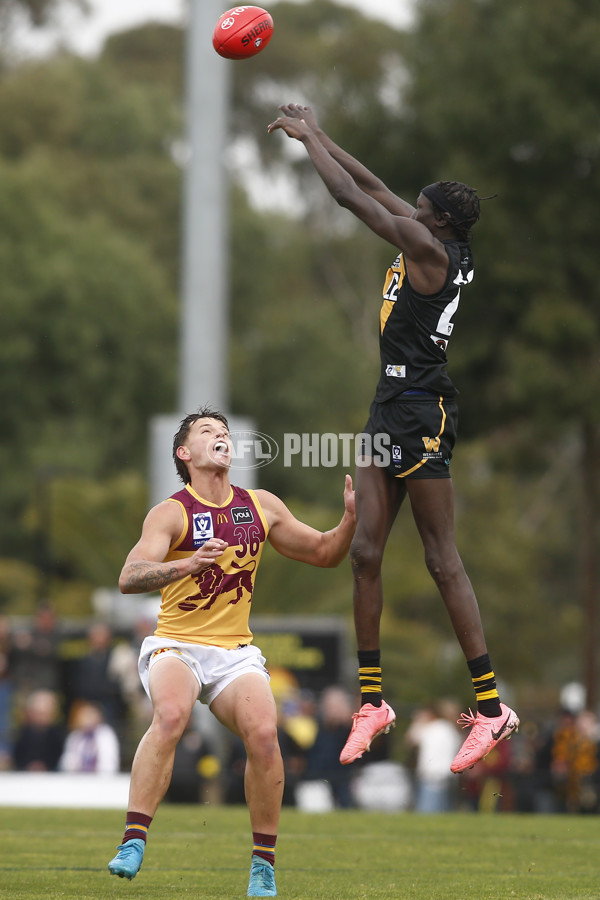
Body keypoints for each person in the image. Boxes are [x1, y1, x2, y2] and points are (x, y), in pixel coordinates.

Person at [268, 103, 519, 775]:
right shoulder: (428, 235)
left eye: (417, 207)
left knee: (441, 559)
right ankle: (373, 702)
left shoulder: (431, 253)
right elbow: (373, 186)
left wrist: (303, 144)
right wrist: (318, 130)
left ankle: (492, 708)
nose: (405, 209)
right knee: (366, 552)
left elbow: (352, 196)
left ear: (436, 222)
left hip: (423, 410)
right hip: (387, 406)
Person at [107, 406, 355, 897]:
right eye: (207, 432)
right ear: (186, 453)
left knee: (264, 736)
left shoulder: (260, 504)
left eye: (224, 431)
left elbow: (325, 552)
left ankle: (263, 864)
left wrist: (350, 518)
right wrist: (186, 566)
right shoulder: (172, 511)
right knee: (172, 715)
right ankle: (134, 838)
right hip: (178, 643)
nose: (220, 436)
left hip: (235, 652)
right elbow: (128, 577)